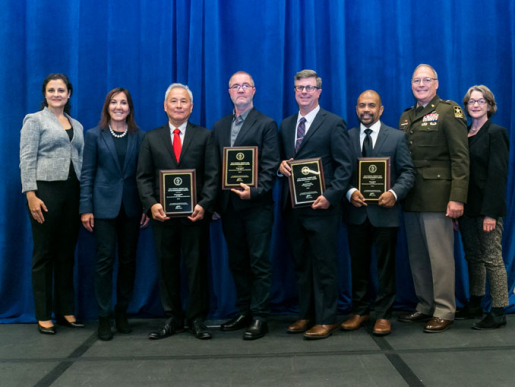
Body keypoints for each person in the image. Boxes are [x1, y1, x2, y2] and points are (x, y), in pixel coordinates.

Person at [136, 83, 218, 340]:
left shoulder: (205, 136)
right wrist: (151, 205)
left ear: (191, 107)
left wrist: (204, 205)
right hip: (163, 217)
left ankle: (196, 319)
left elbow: (213, 176)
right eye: (174, 101)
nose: (179, 106)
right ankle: (172, 318)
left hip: (195, 216)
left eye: (184, 102)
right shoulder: (150, 138)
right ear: (165, 106)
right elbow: (143, 177)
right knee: (166, 267)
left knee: (196, 268)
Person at [278, 69, 352, 340]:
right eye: (300, 88)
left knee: (324, 265)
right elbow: (283, 160)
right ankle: (306, 315)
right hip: (293, 208)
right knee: (301, 265)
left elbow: (345, 167)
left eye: (310, 87)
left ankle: (327, 318)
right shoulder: (286, 125)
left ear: (319, 91)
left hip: (322, 209)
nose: (304, 92)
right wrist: (280, 166)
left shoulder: (334, 123)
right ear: (294, 91)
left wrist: (330, 196)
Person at [397, 64, 469, 333]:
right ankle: (425, 305)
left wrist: (457, 198)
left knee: (440, 258)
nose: (421, 84)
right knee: (418, 258)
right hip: (411, 197)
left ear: (436, 83)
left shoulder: (449, 112)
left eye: (426, 80)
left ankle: (445, 309)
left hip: (439, 198)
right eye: (416, 80)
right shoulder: (406, 116)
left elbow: (461, 158)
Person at [212, 71, 280, 340]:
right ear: (229, 92)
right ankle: (244, 311)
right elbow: (215, 170)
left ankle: (260, 316)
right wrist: (215, 204)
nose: (240, 89)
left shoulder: (266, 124)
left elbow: (271, 164)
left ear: (254, 90)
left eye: (245, 85)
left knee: (259, 262)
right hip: (228, 207)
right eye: (235, 86)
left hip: (257, 206)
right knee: (237, 262)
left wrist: (254, 191)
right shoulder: (218, 127)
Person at [341, 90, 415, 336]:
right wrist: (349, 191)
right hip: (356, 212)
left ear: (381, 110)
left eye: (371, 105)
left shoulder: (396, 137)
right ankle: (360, 311)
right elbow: (340, 173)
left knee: (385, 267)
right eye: (361, 105)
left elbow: (408, 173)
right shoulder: (346, 137)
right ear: (356, 108)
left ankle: (383, 314)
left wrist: (394, 193)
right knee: (358, 266)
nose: (366, 110)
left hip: (386, 214)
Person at [80, 88, 149, 341]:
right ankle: (104, 317)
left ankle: (122, 312)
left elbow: (144, 176)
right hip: (102, 209)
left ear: (130, 108)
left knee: (129, 262)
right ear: (107, 107)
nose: (119, 107)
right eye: (114, 102)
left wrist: (146, 206)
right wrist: (85, 208)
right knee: (104, 262)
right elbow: (87, 174)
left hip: (132, 209)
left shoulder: (140, 136)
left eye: (123, 103)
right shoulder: (93, 135)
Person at [19, 73, 85, 334]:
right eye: (51, 90)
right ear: (45, 94)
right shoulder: (34, 120)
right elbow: (26, 158)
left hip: (73, 193)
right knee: (44, 253)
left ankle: (66, 310)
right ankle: (43, 314)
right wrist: (30, 194)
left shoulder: (76, 124)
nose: (57, 94)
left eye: (61, 90)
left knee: (66, 254)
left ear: (69, 93)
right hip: (44, 192)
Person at [457, 85, 509, 329]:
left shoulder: (496, 133)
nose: (475, 105)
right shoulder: (464, 133)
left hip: (487, 209)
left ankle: (499, 311)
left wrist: (491, 213)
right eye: (471, 102)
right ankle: (475, 303)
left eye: (480, 101)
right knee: (473, 257)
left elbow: (498, 176)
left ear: (490, 105)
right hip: (467, 208)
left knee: (492, 258)